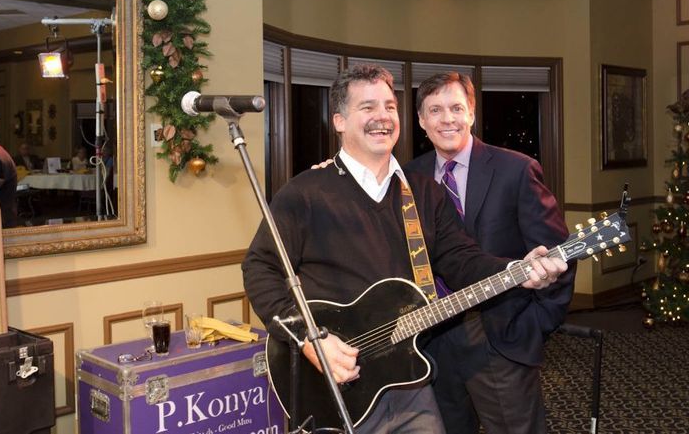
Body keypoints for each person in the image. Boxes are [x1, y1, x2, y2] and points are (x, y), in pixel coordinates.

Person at [242, 64, 567, 434]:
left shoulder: (425, 191)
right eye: (367, 107)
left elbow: (462, 260)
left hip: (411, 381)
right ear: (339, 121)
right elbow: (260, 268)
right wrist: (309, 338)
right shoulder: (304, 193)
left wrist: (517, 270)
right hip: (337, 387)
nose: (382, 116)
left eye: (389, 107)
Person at [404, 72, 576, 434]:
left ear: (472, 113)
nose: (447, 119)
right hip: (433, 342)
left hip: (500, 336)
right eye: (435, 110)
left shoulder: (516, 170)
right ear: (421, 120)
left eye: (456, 108)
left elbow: (558, 255)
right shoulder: (408, 177)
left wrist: (534, 327)